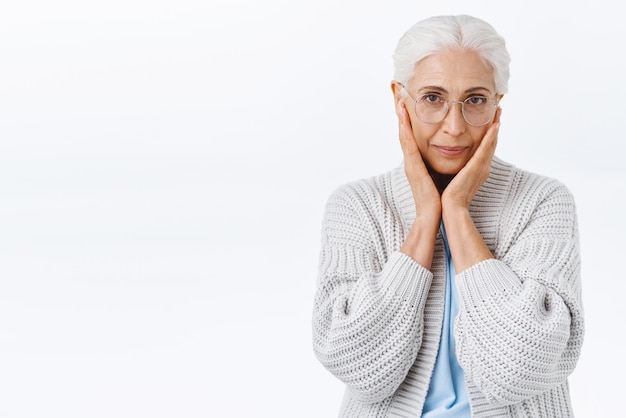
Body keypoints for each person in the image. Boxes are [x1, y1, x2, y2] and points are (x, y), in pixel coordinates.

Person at [312, 14, 584, 417]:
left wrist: (456, 212)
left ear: (496, 106)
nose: (454, 127)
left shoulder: (543, 201)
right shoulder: (357, 205)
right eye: (433, 98)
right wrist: (425, 219)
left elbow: (521, 369)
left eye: (475, 100)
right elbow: (359, 367)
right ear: (399, 99)